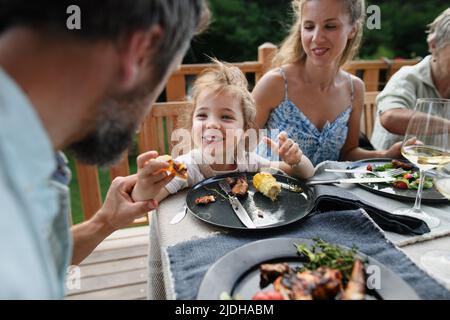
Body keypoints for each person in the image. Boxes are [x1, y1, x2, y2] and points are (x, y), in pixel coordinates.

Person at [0, 0, 209, 299]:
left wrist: (104, 222)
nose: (142, 117)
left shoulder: (27, 157)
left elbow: (28, 256)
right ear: (142, 50)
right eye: (165, 76)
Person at [131, 60, 315, 203]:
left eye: (226, 117)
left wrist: (296, 160)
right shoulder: (187, 166)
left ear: (244, 130)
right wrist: (144, 187)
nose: (212, 124)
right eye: (202, 115)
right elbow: (146, 200)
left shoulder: (248, 162)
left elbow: (306, 174)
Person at [252, 0, 406, 167]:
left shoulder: (355, 89)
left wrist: (385, 154)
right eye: (309, 27)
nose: (317, 38)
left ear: (352, 29)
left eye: (330, 26)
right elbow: (236, 148)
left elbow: (348, 153)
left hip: (330, 192)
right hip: (270, 189)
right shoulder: (275, 84)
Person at [371, 7, 450, 150]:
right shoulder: (408, 77)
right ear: (434, 46)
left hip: (439, 170)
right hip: (392, 168)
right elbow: (390, 117)